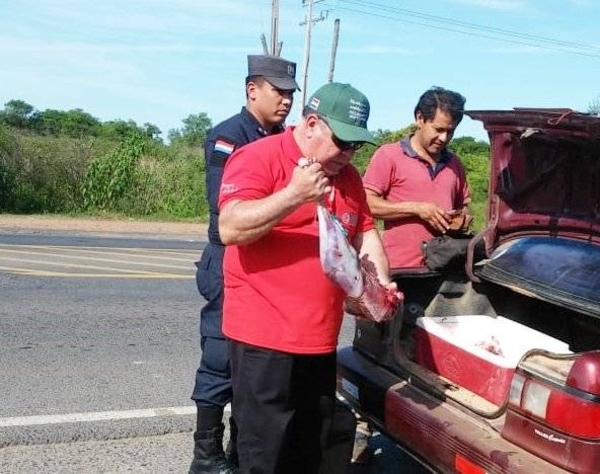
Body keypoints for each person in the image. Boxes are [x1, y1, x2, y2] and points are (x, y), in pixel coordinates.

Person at [218, 82, 397, 474]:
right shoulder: (259, 157)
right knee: (264, 457)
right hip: (264, 341)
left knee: (309, 454)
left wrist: (378, 287)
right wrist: (293, 195)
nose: (348, 154)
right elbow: (230, 227)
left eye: (356, 146)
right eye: (342, 142)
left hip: (319, 341)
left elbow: (365, 233)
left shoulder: (347, 176)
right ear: (312, 123)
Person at [190, 54, 299, 474]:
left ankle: (242, 451)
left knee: (253, 366)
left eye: (290, 93)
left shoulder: (285, 140)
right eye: (279, 91)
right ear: (253, 90)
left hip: (267, 263)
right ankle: (206, 456)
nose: (286, 100)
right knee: (220, 357)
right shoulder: (230, 136)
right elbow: (226, 207)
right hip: (229, 258)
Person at [362, 86, 472, 269]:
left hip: (443, 271)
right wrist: (417, 209)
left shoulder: (455, 164)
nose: (444, 138)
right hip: (399, 270)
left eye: (450, 132)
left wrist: (461, 220)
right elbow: (366, 203)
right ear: (420, 118)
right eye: (438, 129)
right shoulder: (389, 155)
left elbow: (464, 207)